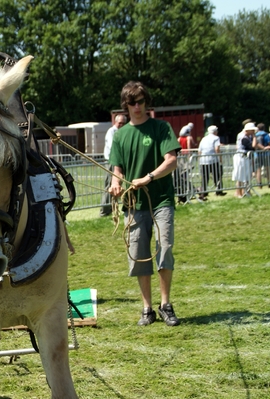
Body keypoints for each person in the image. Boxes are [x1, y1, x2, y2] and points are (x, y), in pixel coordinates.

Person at [109, 81, 181, 327]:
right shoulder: (120, 135)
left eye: (141, 101)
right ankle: (147, 308)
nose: (137, 107)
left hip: (161, 200)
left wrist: (148, 177)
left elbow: (171, 160)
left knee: (165, 248)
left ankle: (165, 305)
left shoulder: (161, 128)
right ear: (125, 105)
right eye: (132, 102)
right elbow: (117, 168)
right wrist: (115, 183)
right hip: (133, 205)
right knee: (139, 257)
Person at [100, 114, 127, 217]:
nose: (121, 125)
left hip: (121, 161)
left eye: (123, 123)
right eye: (120, 123)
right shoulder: (112, 131)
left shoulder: (123, 132)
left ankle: (114, 208)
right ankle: (104, 211)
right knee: (109, 186)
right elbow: (113, 147)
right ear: (115, 122)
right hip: (111, 161)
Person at [198, 125, 226, 199]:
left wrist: (199, 159)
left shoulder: (204, 138)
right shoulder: (216, 138)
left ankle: (203, 192)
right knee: (217, 176)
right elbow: (217, 149)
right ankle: (219, 191)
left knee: (204, 177)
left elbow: (199, 150)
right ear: (215, 131)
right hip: (213, 160)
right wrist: (220, 158)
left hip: (203, 160)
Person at [232, 122, 257, 198]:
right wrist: (255, 137)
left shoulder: (246, 136)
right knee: (240, 176)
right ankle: (239, 193)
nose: (253, 132)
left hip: (245, 158)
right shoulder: (243, 137)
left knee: (246, 176)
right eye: (252, 130)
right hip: (241, 158)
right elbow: (252, 147)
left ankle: (246, 192)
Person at [254, 123, 270, 188]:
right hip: (266, 154)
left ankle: (259, 183)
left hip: (257, 154)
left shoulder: (255, 135)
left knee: (258, 169)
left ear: (258, 128)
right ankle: (269, 182)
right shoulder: (266, 135)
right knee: (267, 169)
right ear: (264, 128)